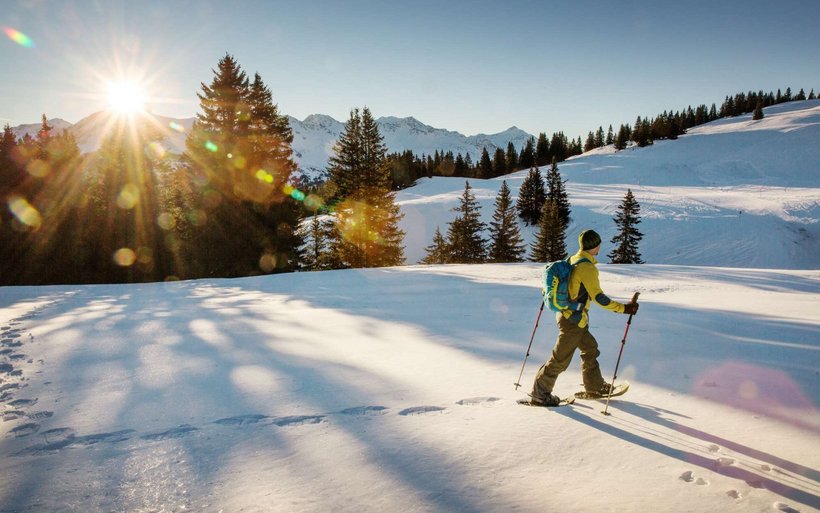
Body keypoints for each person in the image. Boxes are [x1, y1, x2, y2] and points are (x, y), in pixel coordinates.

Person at [529, 229, 639, 406]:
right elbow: (599, 298)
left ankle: (594, 387)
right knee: (560, 360)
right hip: (573, 321)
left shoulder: (573, 259)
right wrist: (624, 309)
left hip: (572, 317)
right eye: (598, 244)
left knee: (590, 348)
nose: (600, 246)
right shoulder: (586, 267)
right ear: (595, 246)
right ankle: (540, 394)